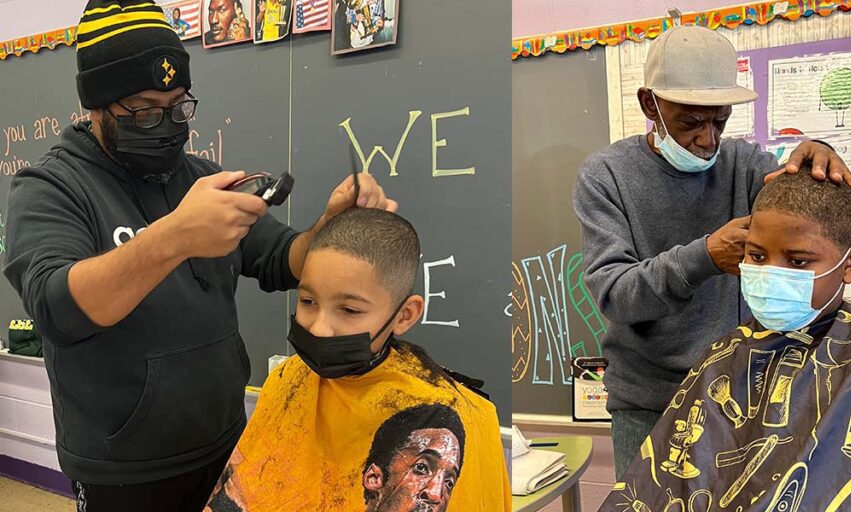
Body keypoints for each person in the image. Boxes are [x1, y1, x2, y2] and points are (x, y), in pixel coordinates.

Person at [3, 1, 395, 510]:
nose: (165, 125)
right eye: (143, 110)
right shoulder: (50, 188)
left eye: (178, 106)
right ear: (96, 106)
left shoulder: (199, 176)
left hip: (227, 442)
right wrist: (174, 238)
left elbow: (282, 257)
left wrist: (328, 227)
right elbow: (58, 308)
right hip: (125, 469)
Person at [598, 165, 851, 512]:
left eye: (798, 262)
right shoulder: (727, 354)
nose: (771, 273)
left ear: (849, 263)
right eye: (755, 256)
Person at [571, 25, 851, 478]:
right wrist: (703, 258)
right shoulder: (606, 176)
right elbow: (614, 294)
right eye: (691, 122)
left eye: (719, 120)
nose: (707, 139)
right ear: (651, 104)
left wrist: (819, 151)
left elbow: (799, 191)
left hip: (740, 393)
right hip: (648, 404)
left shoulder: (744, 166)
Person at [203, 209, 511, 511]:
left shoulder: (456, 417)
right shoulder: (288, 380)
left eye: (349, 310)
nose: (318, 327)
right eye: (308, 301)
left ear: (405, 315)